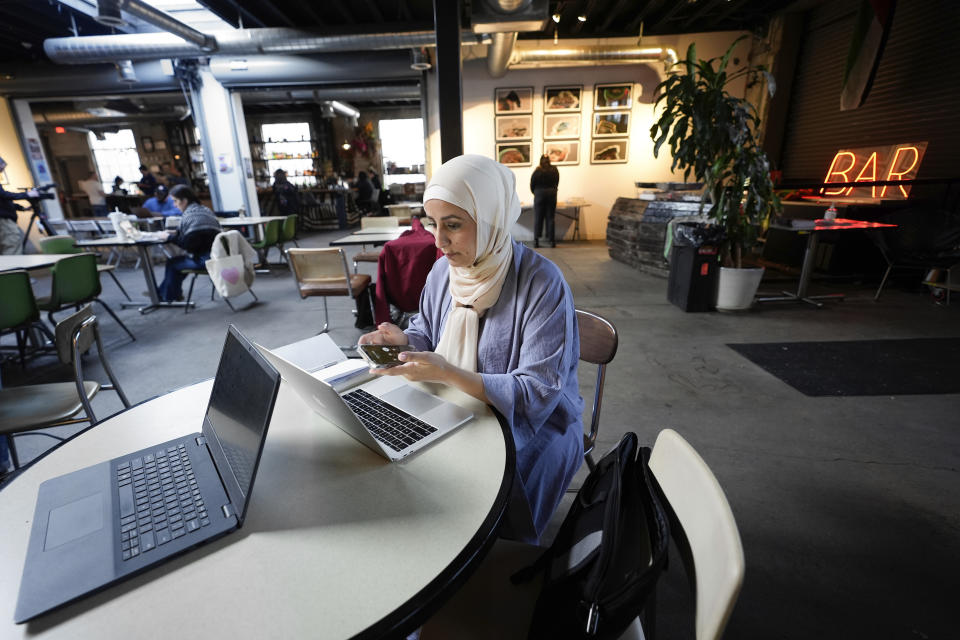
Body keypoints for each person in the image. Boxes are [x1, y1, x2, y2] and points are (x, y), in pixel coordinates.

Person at [358, 154, 583, 543]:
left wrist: (447, 373)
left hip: (538, 421)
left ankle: (494, 559)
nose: (439, 240)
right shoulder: (445, 270)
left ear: (493, 218)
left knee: (489, 495)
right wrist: (405, 342)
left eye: (454, 225)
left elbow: (536, 393)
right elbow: (427, 331)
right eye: (433, 224)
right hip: (459, 400)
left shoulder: (541, 283)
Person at [156, 185, 221, 302]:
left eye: (175, 201)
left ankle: (165, 295)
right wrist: (176, 233)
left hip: (205, 261)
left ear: (184, 201)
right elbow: (196, 236)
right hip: (219, 257)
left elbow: (188, 245)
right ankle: (167, 293)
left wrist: (169, 237)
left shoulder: (189, 216)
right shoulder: (205, 210)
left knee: (173, 263)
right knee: (179, 264)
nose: (175, 205)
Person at [0, 156, 38, 255]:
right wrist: (27, 195)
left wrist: (21, 208)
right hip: (3, 220)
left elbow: (3, 200)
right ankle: (12, 269)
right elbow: (4, 195)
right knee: (12, 244)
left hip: (4, 219)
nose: (2, 173)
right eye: (1, 169)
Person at [530, 154, 560, 248]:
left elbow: (532, 184)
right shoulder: (554, 170)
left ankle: (536, 241)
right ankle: (552, 241)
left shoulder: (537, 171)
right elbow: (557, 182)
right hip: (551, 194)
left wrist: (536, 192)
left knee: (538, 218)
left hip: (539, 194)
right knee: (550, 218)